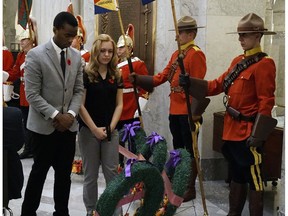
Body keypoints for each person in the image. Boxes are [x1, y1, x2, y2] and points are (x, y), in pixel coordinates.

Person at [179, 13, 277, 215]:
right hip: (232, 130)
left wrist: (257, 136)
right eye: (240, 34)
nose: (240, 39)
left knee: (254, 179)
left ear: (258, 35)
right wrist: (191, 83)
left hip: (249, 132)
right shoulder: (237, 61)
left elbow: (266, 102)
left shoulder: (264, 64)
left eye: (245, 35)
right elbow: (217, 85)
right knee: (237, 175)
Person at [130, 15, 206, 201]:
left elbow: (199, 86)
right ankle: (178, 183)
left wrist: (194, 113)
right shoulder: (176, 55)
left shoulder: (196, 54)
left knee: (190, 150)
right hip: (175, 110)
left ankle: (190, 187)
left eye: (180, 33)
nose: (176, 36)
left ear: (191, 34)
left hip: (188, 111)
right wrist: (139, 79)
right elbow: (162, 77)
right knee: (179, 148)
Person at [20, 11, 84, 216]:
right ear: (55, 30)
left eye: (74, 35)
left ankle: (62, 212)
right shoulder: (36, 55)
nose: (71, 39)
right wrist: (58, 116)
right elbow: (32, 94)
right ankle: (28, 212)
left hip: (68, 128)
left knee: (64, 176)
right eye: (67, 35)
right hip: (44, 128)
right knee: (38, 174)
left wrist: (71, 115)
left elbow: (78, 90)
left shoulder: (76, 56)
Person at [78, 34, 123, 216]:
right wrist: (94, 129)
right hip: (89, 131)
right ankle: (91, 211)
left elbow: (119, 104)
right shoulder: (86, 74)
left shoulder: (116, 74)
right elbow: (80, 105)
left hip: (110, 130)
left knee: (112, 174)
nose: (106, 55)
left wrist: (111, 127)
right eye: (103, 50)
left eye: (110, 51)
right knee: (90, 176)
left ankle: (114, 210)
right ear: (96, 51)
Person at [116, 24, 149, 168]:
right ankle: (119, 166)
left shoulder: (137, 64)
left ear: (130, 48)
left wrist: (140, 106)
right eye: (118, 47)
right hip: (118, 107)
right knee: (118, 141)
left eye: (122, 47)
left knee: (133, 141)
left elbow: (146, 87)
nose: (119, 50)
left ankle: (134, 167)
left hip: (131, 107)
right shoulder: (114, 65)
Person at [7, 18, 37, 159]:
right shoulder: (20, 56)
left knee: (32, 123)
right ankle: (28, 147)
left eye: (23, 40)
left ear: (30, 40)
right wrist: (5, 76)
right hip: (23, 94)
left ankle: (32, 148)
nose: (21, 43)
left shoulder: (36, 54)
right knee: (26, 122)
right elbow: (14, 73)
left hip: (33, 93)